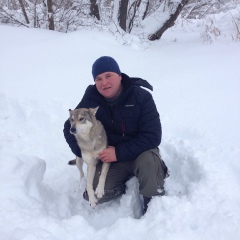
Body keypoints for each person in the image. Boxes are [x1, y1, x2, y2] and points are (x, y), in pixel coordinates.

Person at [63, 56, 168, 214]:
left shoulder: (141, 97)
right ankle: (123, 183)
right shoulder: (91, 98)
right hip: (110, 161)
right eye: (98, 78)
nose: (104, 83)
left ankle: (152, 201)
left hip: (140, 153)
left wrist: (118, 152)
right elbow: (68, 127)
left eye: (108, 76)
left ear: (119, 75)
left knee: (148, 163)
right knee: (94, 195)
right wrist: (84, 152)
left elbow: (152, 136)